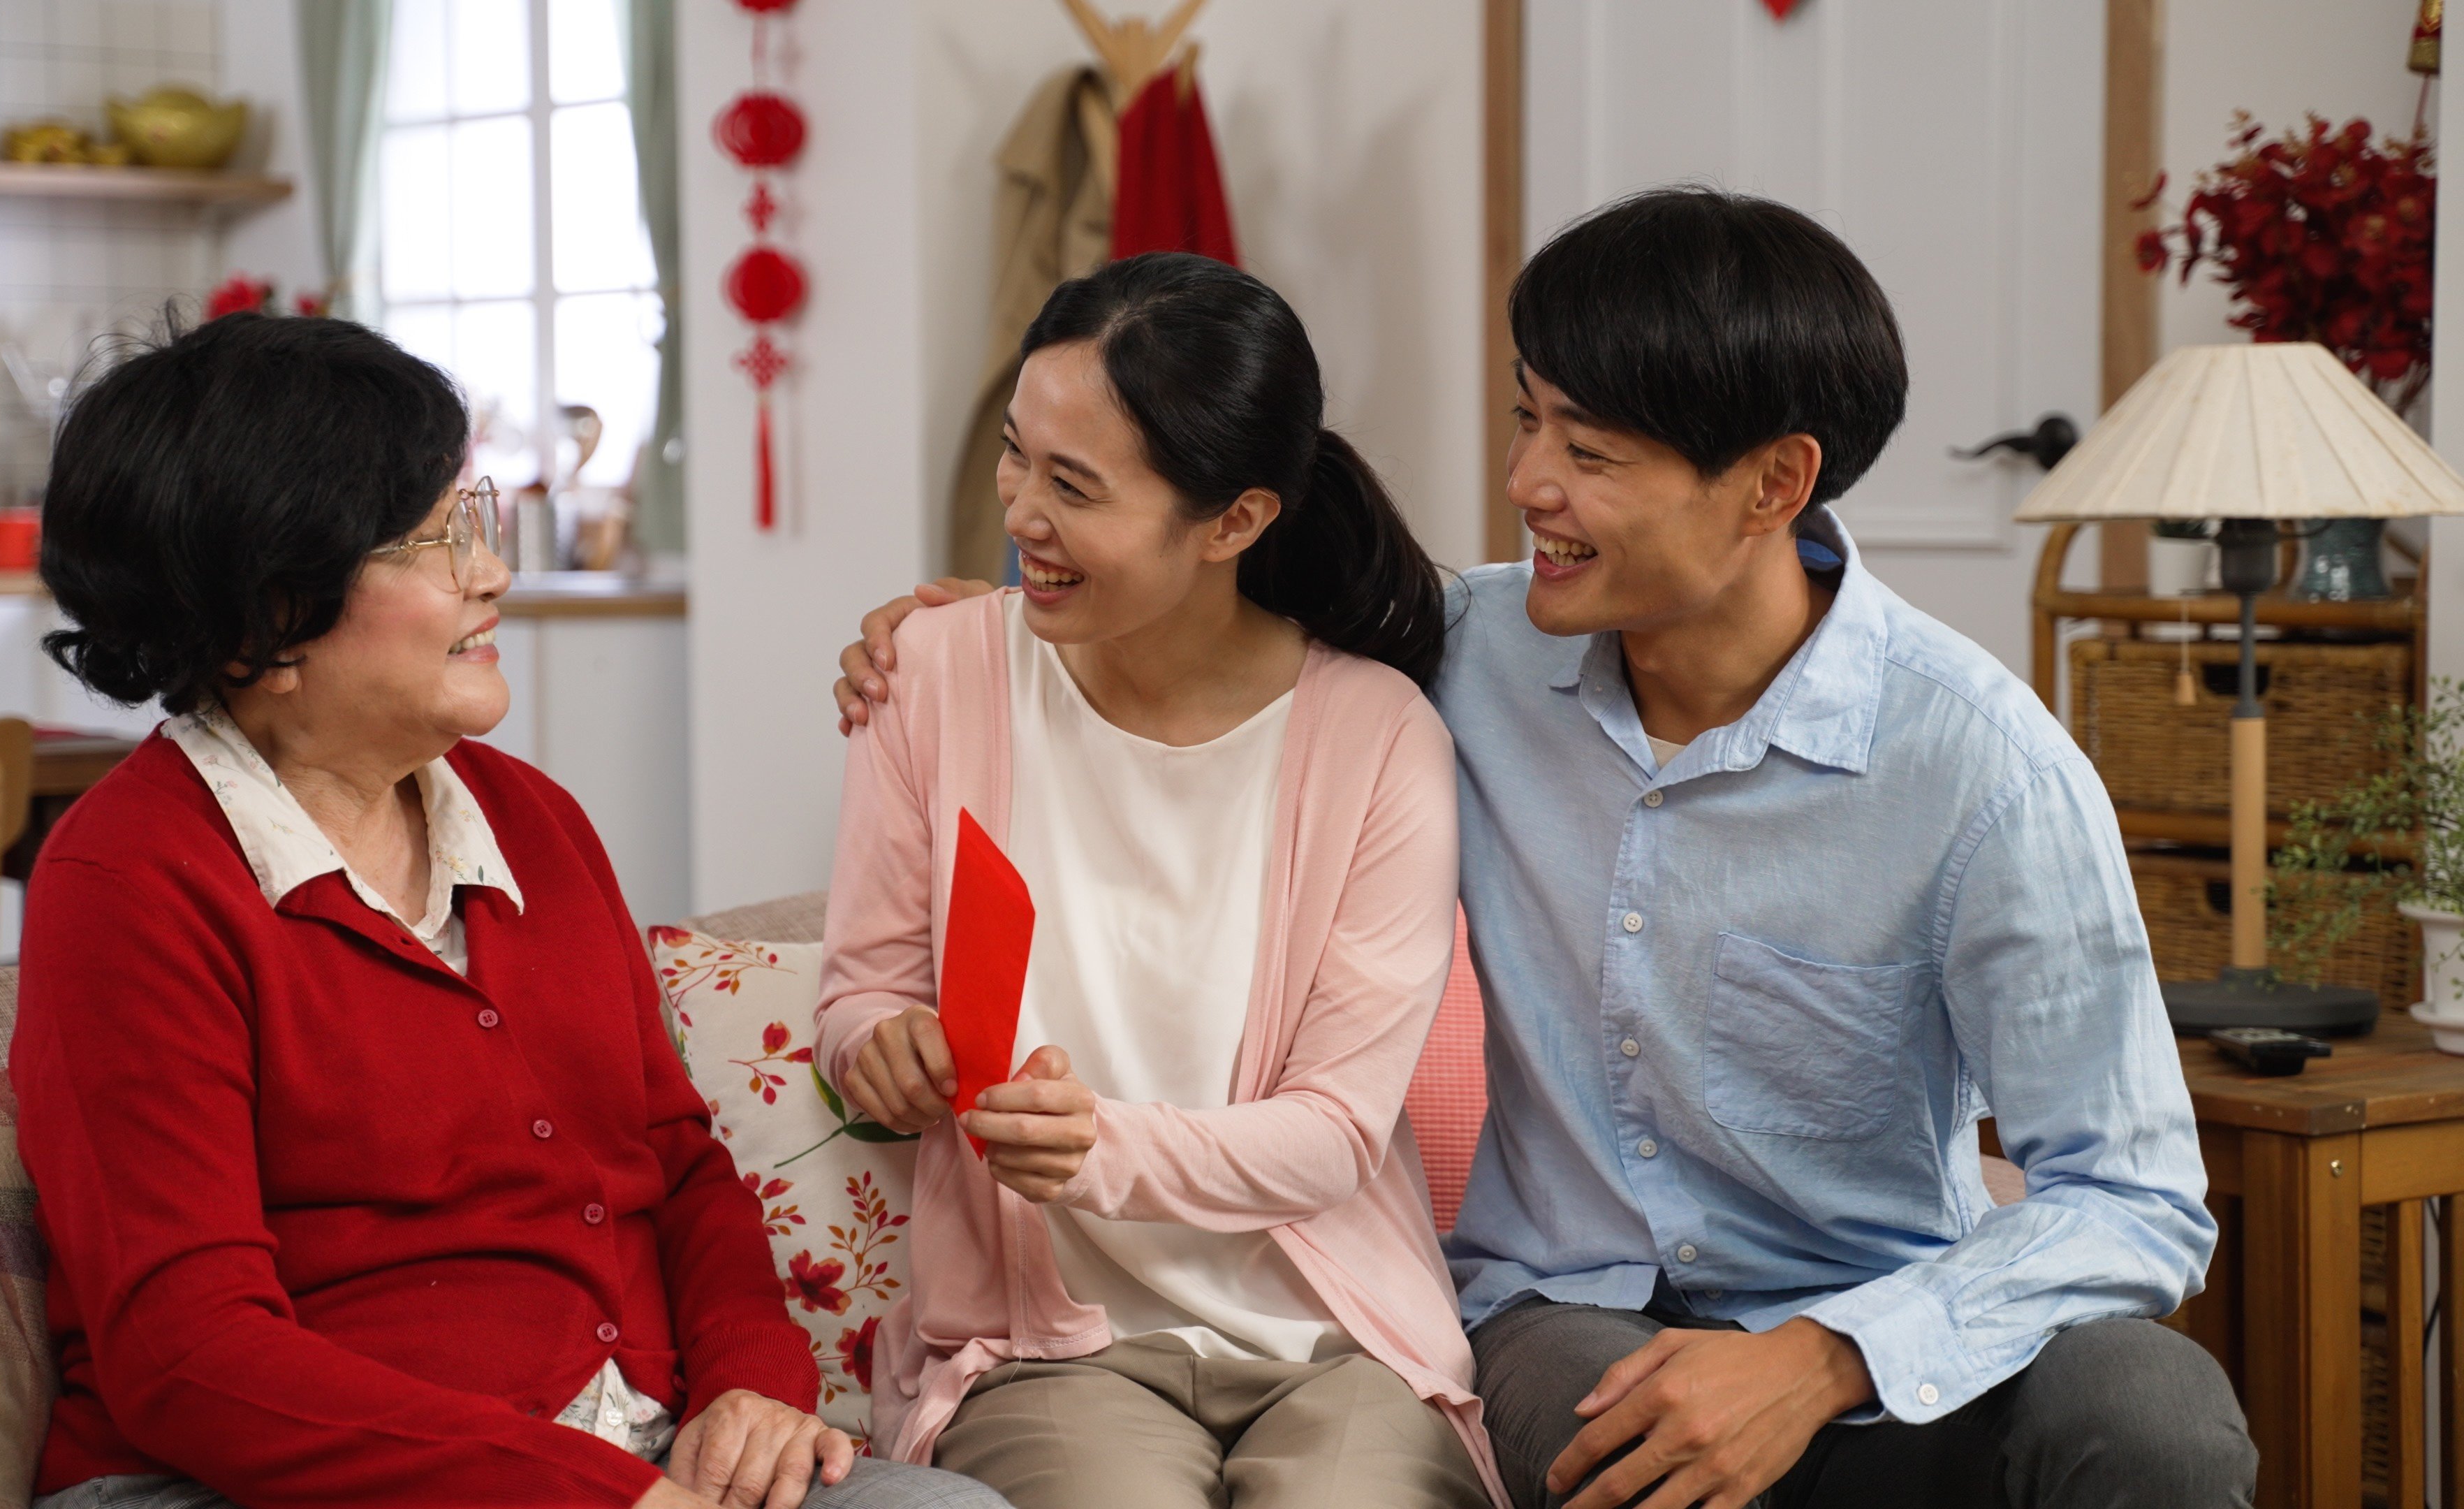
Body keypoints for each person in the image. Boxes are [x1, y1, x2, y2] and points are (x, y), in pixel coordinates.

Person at [832, 189, 2257, 1509]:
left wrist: (1828, 1358)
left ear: (1773, 486)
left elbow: (2133, 1203)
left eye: (1589, 452)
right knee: (1625, 1427)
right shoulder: (1464, 655)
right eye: (1528, 423)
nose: (1525, 481)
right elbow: (1217, 633)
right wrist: (989, 623)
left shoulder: (1983, 772)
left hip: (1888, 1329)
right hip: (1574, 1323)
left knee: (2155, 1416)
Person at [13, 312, 1009, 1509]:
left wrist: (752, 1385)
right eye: (431, 545)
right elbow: (190, 1355)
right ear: (266, 620)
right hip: (268, 1482)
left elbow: (678, 1169)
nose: (490, 573)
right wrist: (594, 1494)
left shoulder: (531, 820)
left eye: (473, 525)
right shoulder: (128, 882)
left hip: (616, 1457)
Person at [815, 252, 1504, 1509]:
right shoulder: (930, 676)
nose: (1021, 512)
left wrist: (1096, 1150)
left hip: (1338, 1346)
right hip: (1049, 1350)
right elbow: (859, 992)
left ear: (1235, 523)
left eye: (1074, 486)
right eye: (1018, 455)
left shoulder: (1376, 735)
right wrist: (884, 1046)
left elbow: (1337, 1134)